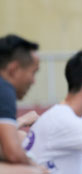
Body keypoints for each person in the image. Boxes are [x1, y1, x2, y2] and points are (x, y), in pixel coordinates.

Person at [0, 34, 48, 174]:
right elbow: (13, 154)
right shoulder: (4, 89)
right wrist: (36, 166)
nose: (34, 81)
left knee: (20, 137)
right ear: (13, 69)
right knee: (33, 172)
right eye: (33, 72)